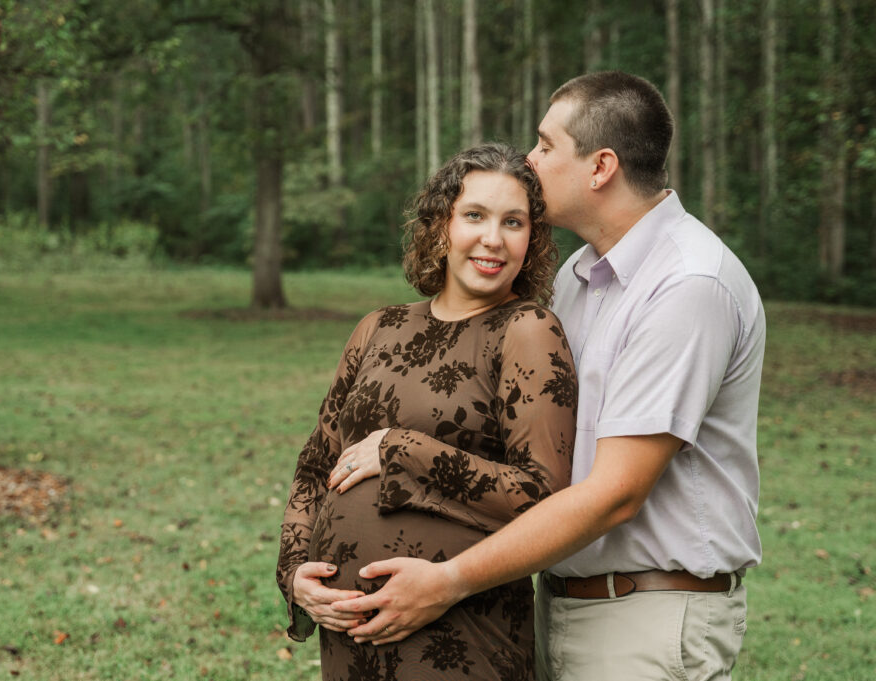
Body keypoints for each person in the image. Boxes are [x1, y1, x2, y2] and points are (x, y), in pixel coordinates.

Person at [332, 71, 766, 681]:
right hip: (558, 602)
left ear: (601, 167)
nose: (530, 162)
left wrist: (447, 581)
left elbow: (617, 492)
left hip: (645, 614)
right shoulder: (579, 277)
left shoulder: (687, 285)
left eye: (545, 144)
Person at [276, 142, 577, 680]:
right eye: (475, 215)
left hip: (459, 633)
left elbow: (543, 497)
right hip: (349, 637)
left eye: (514, 222)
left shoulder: (527, 331)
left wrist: (402, 450)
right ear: (440, 226)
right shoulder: (379, 326)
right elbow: (314, 467)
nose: (493, 238)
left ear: (531, 242)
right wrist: (296, 570)